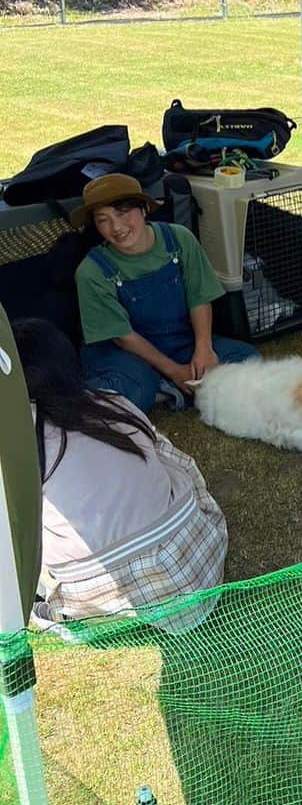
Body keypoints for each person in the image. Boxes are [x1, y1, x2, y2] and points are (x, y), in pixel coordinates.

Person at [14, 318, 226, 632]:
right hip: (196, 558)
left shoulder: (19, 439)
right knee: (164, 454)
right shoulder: (113, 402)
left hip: (99, 591)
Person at [75, 174, 258, 416]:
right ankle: (168, 385)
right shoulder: (92, 271)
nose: (116, 228)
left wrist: (204, 349)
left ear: (143, 209)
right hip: (123, 352)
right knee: (137, 389)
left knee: (248, 358)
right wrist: (174, 370)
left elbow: (200, 296)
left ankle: (166, 389)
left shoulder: (179, 238)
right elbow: (122, 337)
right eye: (103, 220)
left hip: (179, 342)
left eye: (122, 214)